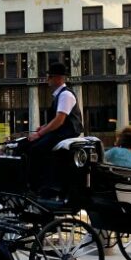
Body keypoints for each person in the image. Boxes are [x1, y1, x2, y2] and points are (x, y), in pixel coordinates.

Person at [26, 63, 83, 195]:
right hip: (61, 132)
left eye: (50, 77)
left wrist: (39, 134)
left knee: (36, 149)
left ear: (58, 78)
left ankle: (36, 186)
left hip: (65, 134)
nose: (48, 80)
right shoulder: (60, 95)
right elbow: (58, 119)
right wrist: (45, 126)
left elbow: (59, 120)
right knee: (27, 144)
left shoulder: (65, 95)